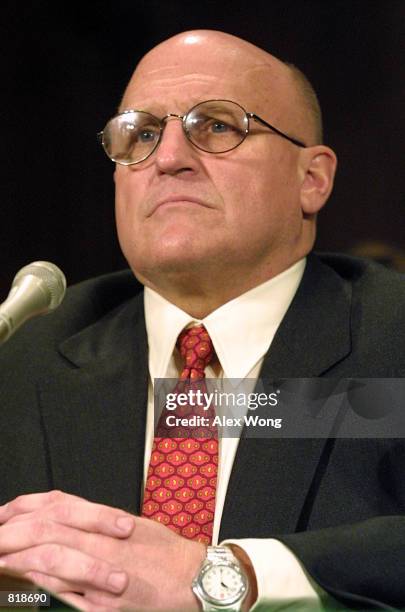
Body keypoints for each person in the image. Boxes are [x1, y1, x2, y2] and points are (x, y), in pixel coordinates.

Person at [0, 29, 405, 611]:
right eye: (139, 135)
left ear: (311, 178)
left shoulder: (391, 338)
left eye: (217, 125)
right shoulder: (26, 358)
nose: (166, 159)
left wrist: (230, 577)